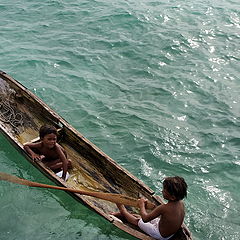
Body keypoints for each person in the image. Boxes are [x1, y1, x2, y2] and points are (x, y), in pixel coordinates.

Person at [113, 176, 188, 240]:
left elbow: (145, 219)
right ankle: (121, 214)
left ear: (172, 197)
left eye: (164, 190)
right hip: (168, 233)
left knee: (138, 220)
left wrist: (141, 204)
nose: (162, 191)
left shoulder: (164, 208)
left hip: (159, 234)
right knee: (140, 216)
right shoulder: (181, 204)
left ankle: (122, 210)